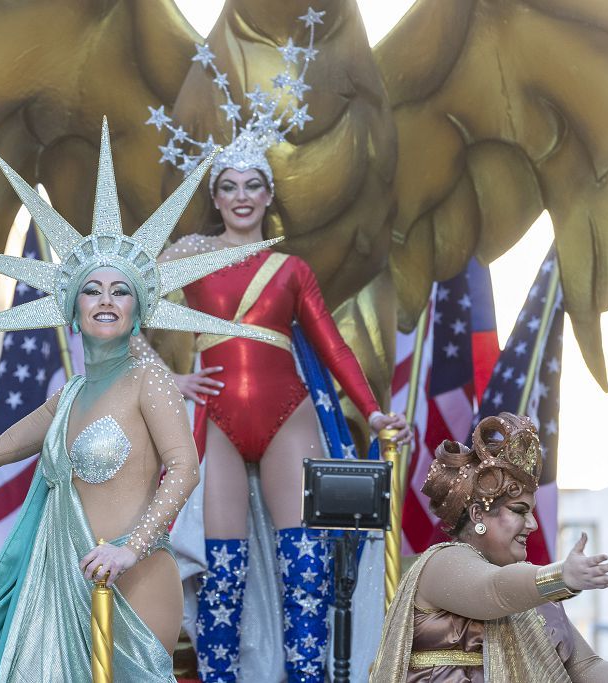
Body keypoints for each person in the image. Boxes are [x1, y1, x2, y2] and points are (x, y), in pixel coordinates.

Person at [0, 119, 276, 682]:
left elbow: (184, 468)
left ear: (138, 308)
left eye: (120, 289)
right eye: (92, 290)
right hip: (63, 584)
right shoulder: (69, 396)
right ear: (72, 307)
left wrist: (129, 547)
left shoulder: (149, 378)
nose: (106, 299)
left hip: (136, 580)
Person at [143, 18, 410, 681]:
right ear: (216, 195)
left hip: (289, 416)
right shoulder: (184, 258)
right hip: (218, 425)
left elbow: (334, 347)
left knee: (305, 570)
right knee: (222, 574)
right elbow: (113, 321)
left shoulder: (291, 270)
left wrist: (373, 413)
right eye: (228, 186)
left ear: (268, 193)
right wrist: (166, 382)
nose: (240, 196)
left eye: (252, 185)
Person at [371, 413, 608, 682]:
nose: (532, 525)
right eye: (519, 510)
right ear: (478, 515)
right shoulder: (443, 561)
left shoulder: (533, 589)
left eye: (532, 513)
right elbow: (493, 591)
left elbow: (587, 667)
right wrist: (561, 577)